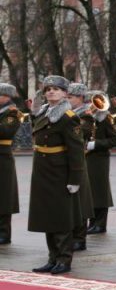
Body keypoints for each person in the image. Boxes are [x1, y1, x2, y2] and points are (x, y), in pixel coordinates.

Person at [27, 76, 85, 274]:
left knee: (61, 217)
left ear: (64, 93)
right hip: (43, 170)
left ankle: (64, 259)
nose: (51, 92)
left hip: (59, 172)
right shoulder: (44, 112)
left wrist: (75, 179)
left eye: (56, 89)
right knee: (47, 216)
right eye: (48, 89)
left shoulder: (68, 117)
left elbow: (76, 150)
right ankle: (52, 257)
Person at [84, 91, 116, 235]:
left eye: (93, 102)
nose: (91, 105)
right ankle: (92, 222)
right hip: (85, 158)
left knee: (99, 190)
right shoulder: (85, 118)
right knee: (89, 191)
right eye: (89, 102)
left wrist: (96, 144)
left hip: (99, 158)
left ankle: (100, 223)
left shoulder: (105, 118)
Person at [66, 84, 96, 252]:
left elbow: (82, 132)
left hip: (78, 159)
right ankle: (70, 234)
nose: (67, 100)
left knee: (80, 200)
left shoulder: (85, 114)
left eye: (70, 97)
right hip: (66, 160)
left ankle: (79, 237)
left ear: (80, 98)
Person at [0, 83, 23, 245]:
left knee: (3, 196)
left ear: (6, 96)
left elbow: (5, 131)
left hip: (3, 157)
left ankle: (4, 233)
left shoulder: (13, 113)